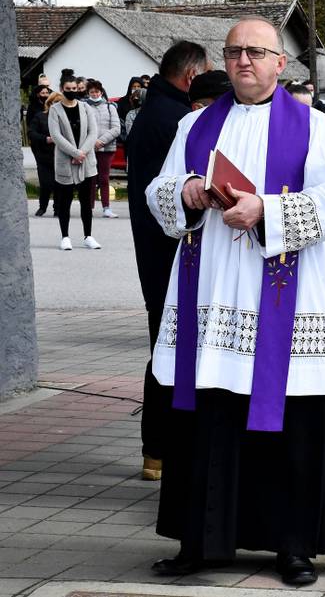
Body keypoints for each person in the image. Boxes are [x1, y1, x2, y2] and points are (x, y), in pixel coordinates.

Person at [145, 17, 325, 583]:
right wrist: (188, 192)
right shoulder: (195, 124)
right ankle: (201, 542)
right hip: (212, 296)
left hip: (279, 300)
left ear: (279, 64)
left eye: (256, 52)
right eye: (235, 52)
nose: (244, 61)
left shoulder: (315, 126)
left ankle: (292, 547)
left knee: (288, 424)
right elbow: (159, 192)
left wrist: (266, 209)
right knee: (208, 419)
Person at [127, 40, 211, 482]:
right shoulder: (177, 120)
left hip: (155, 249)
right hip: (170, 252)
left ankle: (157, 451)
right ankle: (160, 448)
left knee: (166, 346)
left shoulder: (154, 110)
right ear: (193, 76)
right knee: (169, 350)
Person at [48, 75, 100, 251]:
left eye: (74, 89)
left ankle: (88, 236)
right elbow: (56, 135)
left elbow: (93, 132)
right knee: (65, 201)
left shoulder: (86, 108)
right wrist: (75, 153)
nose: (72, 92)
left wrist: (82, 153)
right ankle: (65, 236)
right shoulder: (55, 110)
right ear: (62, 89)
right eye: (68, 89)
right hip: (65, 161)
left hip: (86, 162)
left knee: (87, 202)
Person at [85, 79, 121, 218]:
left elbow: (116, 128)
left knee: (104, 178)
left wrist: (101, 141)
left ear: (101, 92)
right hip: (89, 148)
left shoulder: (110, 106)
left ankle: (106, 208)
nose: (94, 94)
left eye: (97, 91)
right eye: (92, 92)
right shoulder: (84, 106)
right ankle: (89, 207)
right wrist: (91, 142)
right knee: (90, 179)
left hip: (107, 149)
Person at [29, 91, 60, 217]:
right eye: (55, 103)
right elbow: (31, 133)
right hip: (43, 156)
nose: (57, 105)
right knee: (45, 183)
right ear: (50, 103)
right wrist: (45, 139)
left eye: (60, 103)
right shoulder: (40, 117)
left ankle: (57, 208)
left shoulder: (64, 119)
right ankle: (42, 207)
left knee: (59, 184)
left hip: (60, 156)